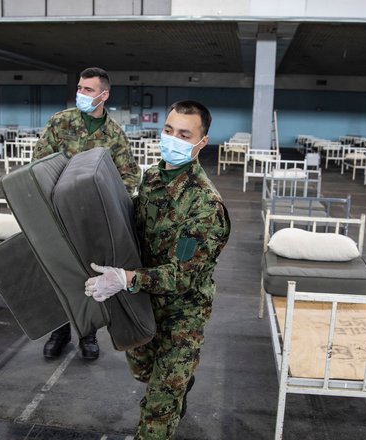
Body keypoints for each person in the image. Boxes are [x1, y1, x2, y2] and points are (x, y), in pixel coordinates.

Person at [84, 100, 231, 439]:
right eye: (168, 131)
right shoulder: (152, 178)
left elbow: (181, 277)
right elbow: (132, 226)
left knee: (158, 409)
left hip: (182, 315)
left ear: (201, 143)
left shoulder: (205, 206)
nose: (172, 139)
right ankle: (179, 381)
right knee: (143, 372)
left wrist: (125, 279)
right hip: (144, 302)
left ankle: (173, 388)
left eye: (184, 134)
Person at [33, 67, 141, 361]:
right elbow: (39, 164)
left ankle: (88, 333)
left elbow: (129, 176)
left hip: (90, 221)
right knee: (56, 272)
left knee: (87, 274)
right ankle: (59, 330)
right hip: (57, 213)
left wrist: (110, 205)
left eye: (88, 90)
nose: (81, 94)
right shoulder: (61, 122)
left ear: (104, 95)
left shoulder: (114, 135)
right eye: (80, 88)